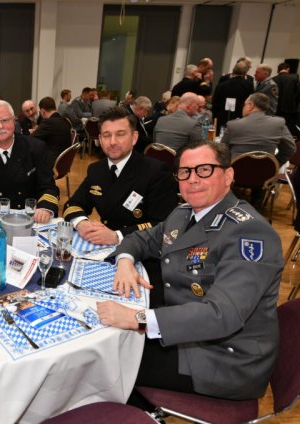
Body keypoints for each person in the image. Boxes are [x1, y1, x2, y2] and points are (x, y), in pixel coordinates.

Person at [97, 140, 282, 403]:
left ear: (228, 175)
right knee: (111, 340)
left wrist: (137, 318)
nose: (193, 179)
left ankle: (138, 415)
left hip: (224, 358)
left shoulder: (249, 233)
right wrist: (125, 261)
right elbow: (141, 239)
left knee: (108, 361)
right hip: (187, 332)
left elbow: (221, 315)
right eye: (185, 172)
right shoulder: (183, 213)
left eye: (204, 170)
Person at [64, 106, 177, 306]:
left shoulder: (156, 172)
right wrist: (81, 224)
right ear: (100, 139)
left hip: (144, 255)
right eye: (107, 135)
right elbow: (73, 204)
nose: (113, 142)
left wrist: (117, 235)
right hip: (102, 252)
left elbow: (164, 225)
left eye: (120, 134)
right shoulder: (96, 170)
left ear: (134, 137)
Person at [0, 100, 59, 223]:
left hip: (29, 219)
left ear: (14, 120)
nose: (0, 126)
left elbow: (48, 187)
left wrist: (45, 208)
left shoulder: (36, 148)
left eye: (4, 120)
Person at [221, 92, 295, 164]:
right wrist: (276, 162)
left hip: (236, 170)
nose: (243, 107)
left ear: (250, 105)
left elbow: (221, 151)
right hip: (267, 170)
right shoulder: (279, 123)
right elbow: (290, 148)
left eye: (244, 105)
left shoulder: (233, 125)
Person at [212, 61, 254, 129]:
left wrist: (214, 117)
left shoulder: (221, 85)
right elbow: (250, 102)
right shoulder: (249, 85)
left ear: (233, 70)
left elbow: (215, 103)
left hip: (222, 117)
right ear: (245, 73)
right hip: (240, 118)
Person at [33, 96, 72, 165]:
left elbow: (32, 139)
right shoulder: (65, 121)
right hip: (64, 162)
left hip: (52, 162)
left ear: (42, 111)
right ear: (55, 108)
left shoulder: (48, 122)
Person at [273, 62, 300, 139]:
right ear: (288, 69)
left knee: (276, 129)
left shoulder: (273, 79)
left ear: (278, 70)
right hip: (290, 109)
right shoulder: (294, 78)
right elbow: (298, 94)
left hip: (276, 109)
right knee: (288, 131)